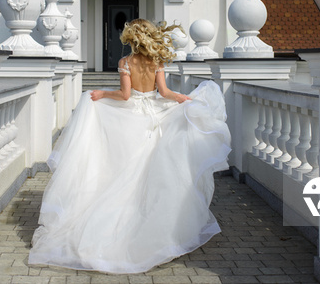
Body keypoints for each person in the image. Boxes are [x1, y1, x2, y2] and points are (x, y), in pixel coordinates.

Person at [28, 19, 231, 274]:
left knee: (127, 166)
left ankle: (127, 216)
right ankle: (157, 221)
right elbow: (165, 92)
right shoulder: (157, 61)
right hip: (155, 115)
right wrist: (183, 99)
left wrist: (102, 93)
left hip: (133, 115)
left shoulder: (126, 63)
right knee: (155, 167)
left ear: (132, 39)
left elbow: (125, 96)